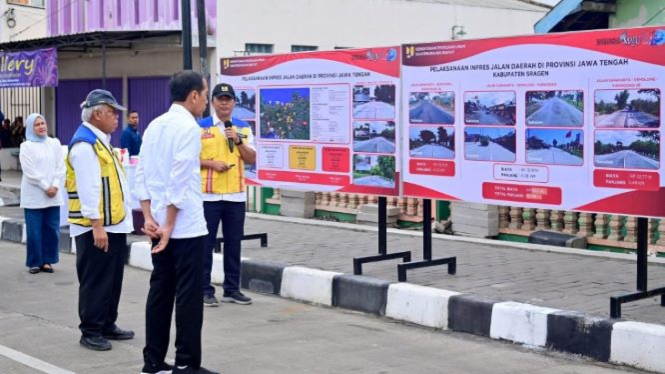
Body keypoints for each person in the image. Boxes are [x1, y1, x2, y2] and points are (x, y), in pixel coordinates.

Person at [134, 70, 219, 374]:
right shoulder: (189, 127)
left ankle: (153, 361)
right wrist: (169, 225)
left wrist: (148, 218)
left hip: (157, 225)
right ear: (194, 95)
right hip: (183, 228)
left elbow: (140, 172)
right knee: (188, 295)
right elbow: (180, 177)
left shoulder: (155, 125)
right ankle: (186, 364)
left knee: (160, 291)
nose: (207, 101)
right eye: (205, 94)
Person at [66, 89, 134, 351]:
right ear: (97, 114)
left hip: (113, 223)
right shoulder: (84, 145)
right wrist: (97, 226)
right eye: (112, 112)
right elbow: (89, 187)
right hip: (95, 227)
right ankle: (91, 330)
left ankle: (107, 323)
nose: (116, 118)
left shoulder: (101, 139)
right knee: (96, 279)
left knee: (112, 278)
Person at [199, 83, 256, 307]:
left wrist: (239, 141)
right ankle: (205, 290)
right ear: (212, 102)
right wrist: (210, 163)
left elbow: (251, 158)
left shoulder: (242, 128)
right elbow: (187, 158)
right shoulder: (200, 127)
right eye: (220, 98)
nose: (224, 102)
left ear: (234, 103)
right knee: (205, 244)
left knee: (234, 244)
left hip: (235, 195)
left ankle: (232, 289)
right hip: (209, 196)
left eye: (228, 99)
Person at [19, 113, 65, 274]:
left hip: (53, 194)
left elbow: (61, 166)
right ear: (31, 128)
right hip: (34, 196)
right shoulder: (26, 146)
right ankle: (34, 262)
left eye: (43, 123)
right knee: (34, 232)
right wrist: (46, 187)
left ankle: (47, 261)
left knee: (52, 230)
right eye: (37, 124)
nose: (41, 127)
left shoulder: (54, 143)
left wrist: (55, 185)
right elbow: (30, 171)